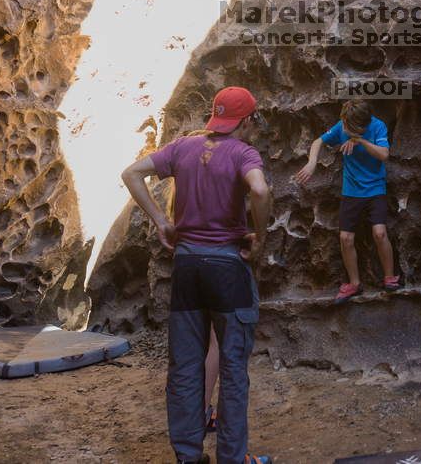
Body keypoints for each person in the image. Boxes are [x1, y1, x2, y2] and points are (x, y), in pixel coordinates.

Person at [121, 86, 273, 464]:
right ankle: (231, 460)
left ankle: (188, 457)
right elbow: (259, 188)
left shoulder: (184, 147)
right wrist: (261, 237)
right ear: (248, 120)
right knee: (233, 370)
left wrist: (162, 221)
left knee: (185, 366)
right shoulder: (244, 152)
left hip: (187, 268)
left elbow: (132, 173)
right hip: (227, 269)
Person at [295, 100, 400, 303]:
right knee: (345, 238)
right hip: (351, 190)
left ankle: (389, 277)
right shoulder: (342, 125)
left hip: (375, 188)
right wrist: (311, 163)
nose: (346, 129)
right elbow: (318, 141)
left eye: (351, 127)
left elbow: (384, 155)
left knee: (379, 233)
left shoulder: (377, 125)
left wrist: (360, 141)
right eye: (346, 125)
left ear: (363, 124)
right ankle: (354, 283)